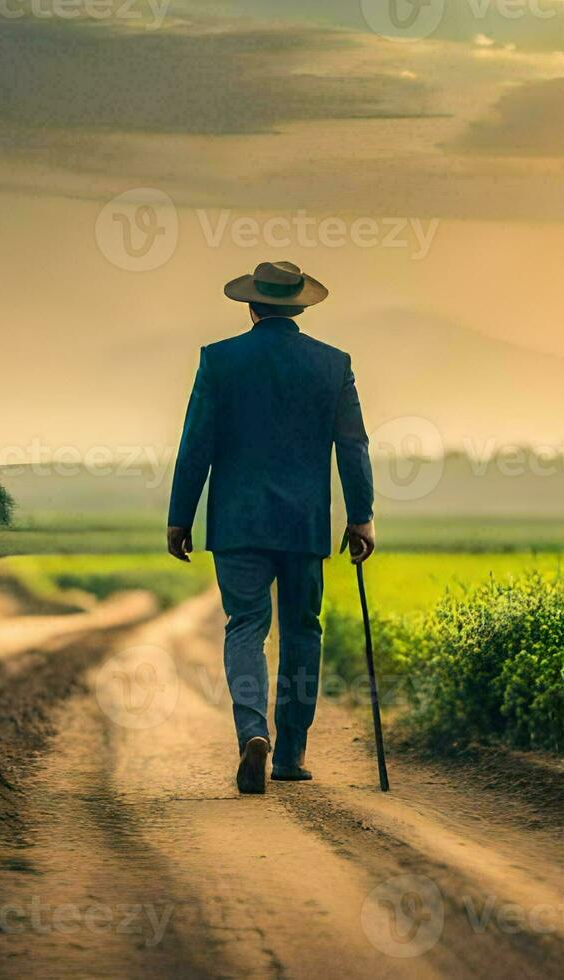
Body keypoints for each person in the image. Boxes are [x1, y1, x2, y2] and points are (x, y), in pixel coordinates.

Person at [166, 260, 375, 795]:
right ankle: (290, 754)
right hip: (304, 523)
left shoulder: (219, 361)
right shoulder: (333, 365)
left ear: (251, 306)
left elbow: (196, 445)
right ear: (300, 308)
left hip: (238, 522)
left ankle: (251, 732)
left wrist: (179, 517)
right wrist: (361, 516)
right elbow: (353, 444)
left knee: (245, 627)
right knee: (303, 630)